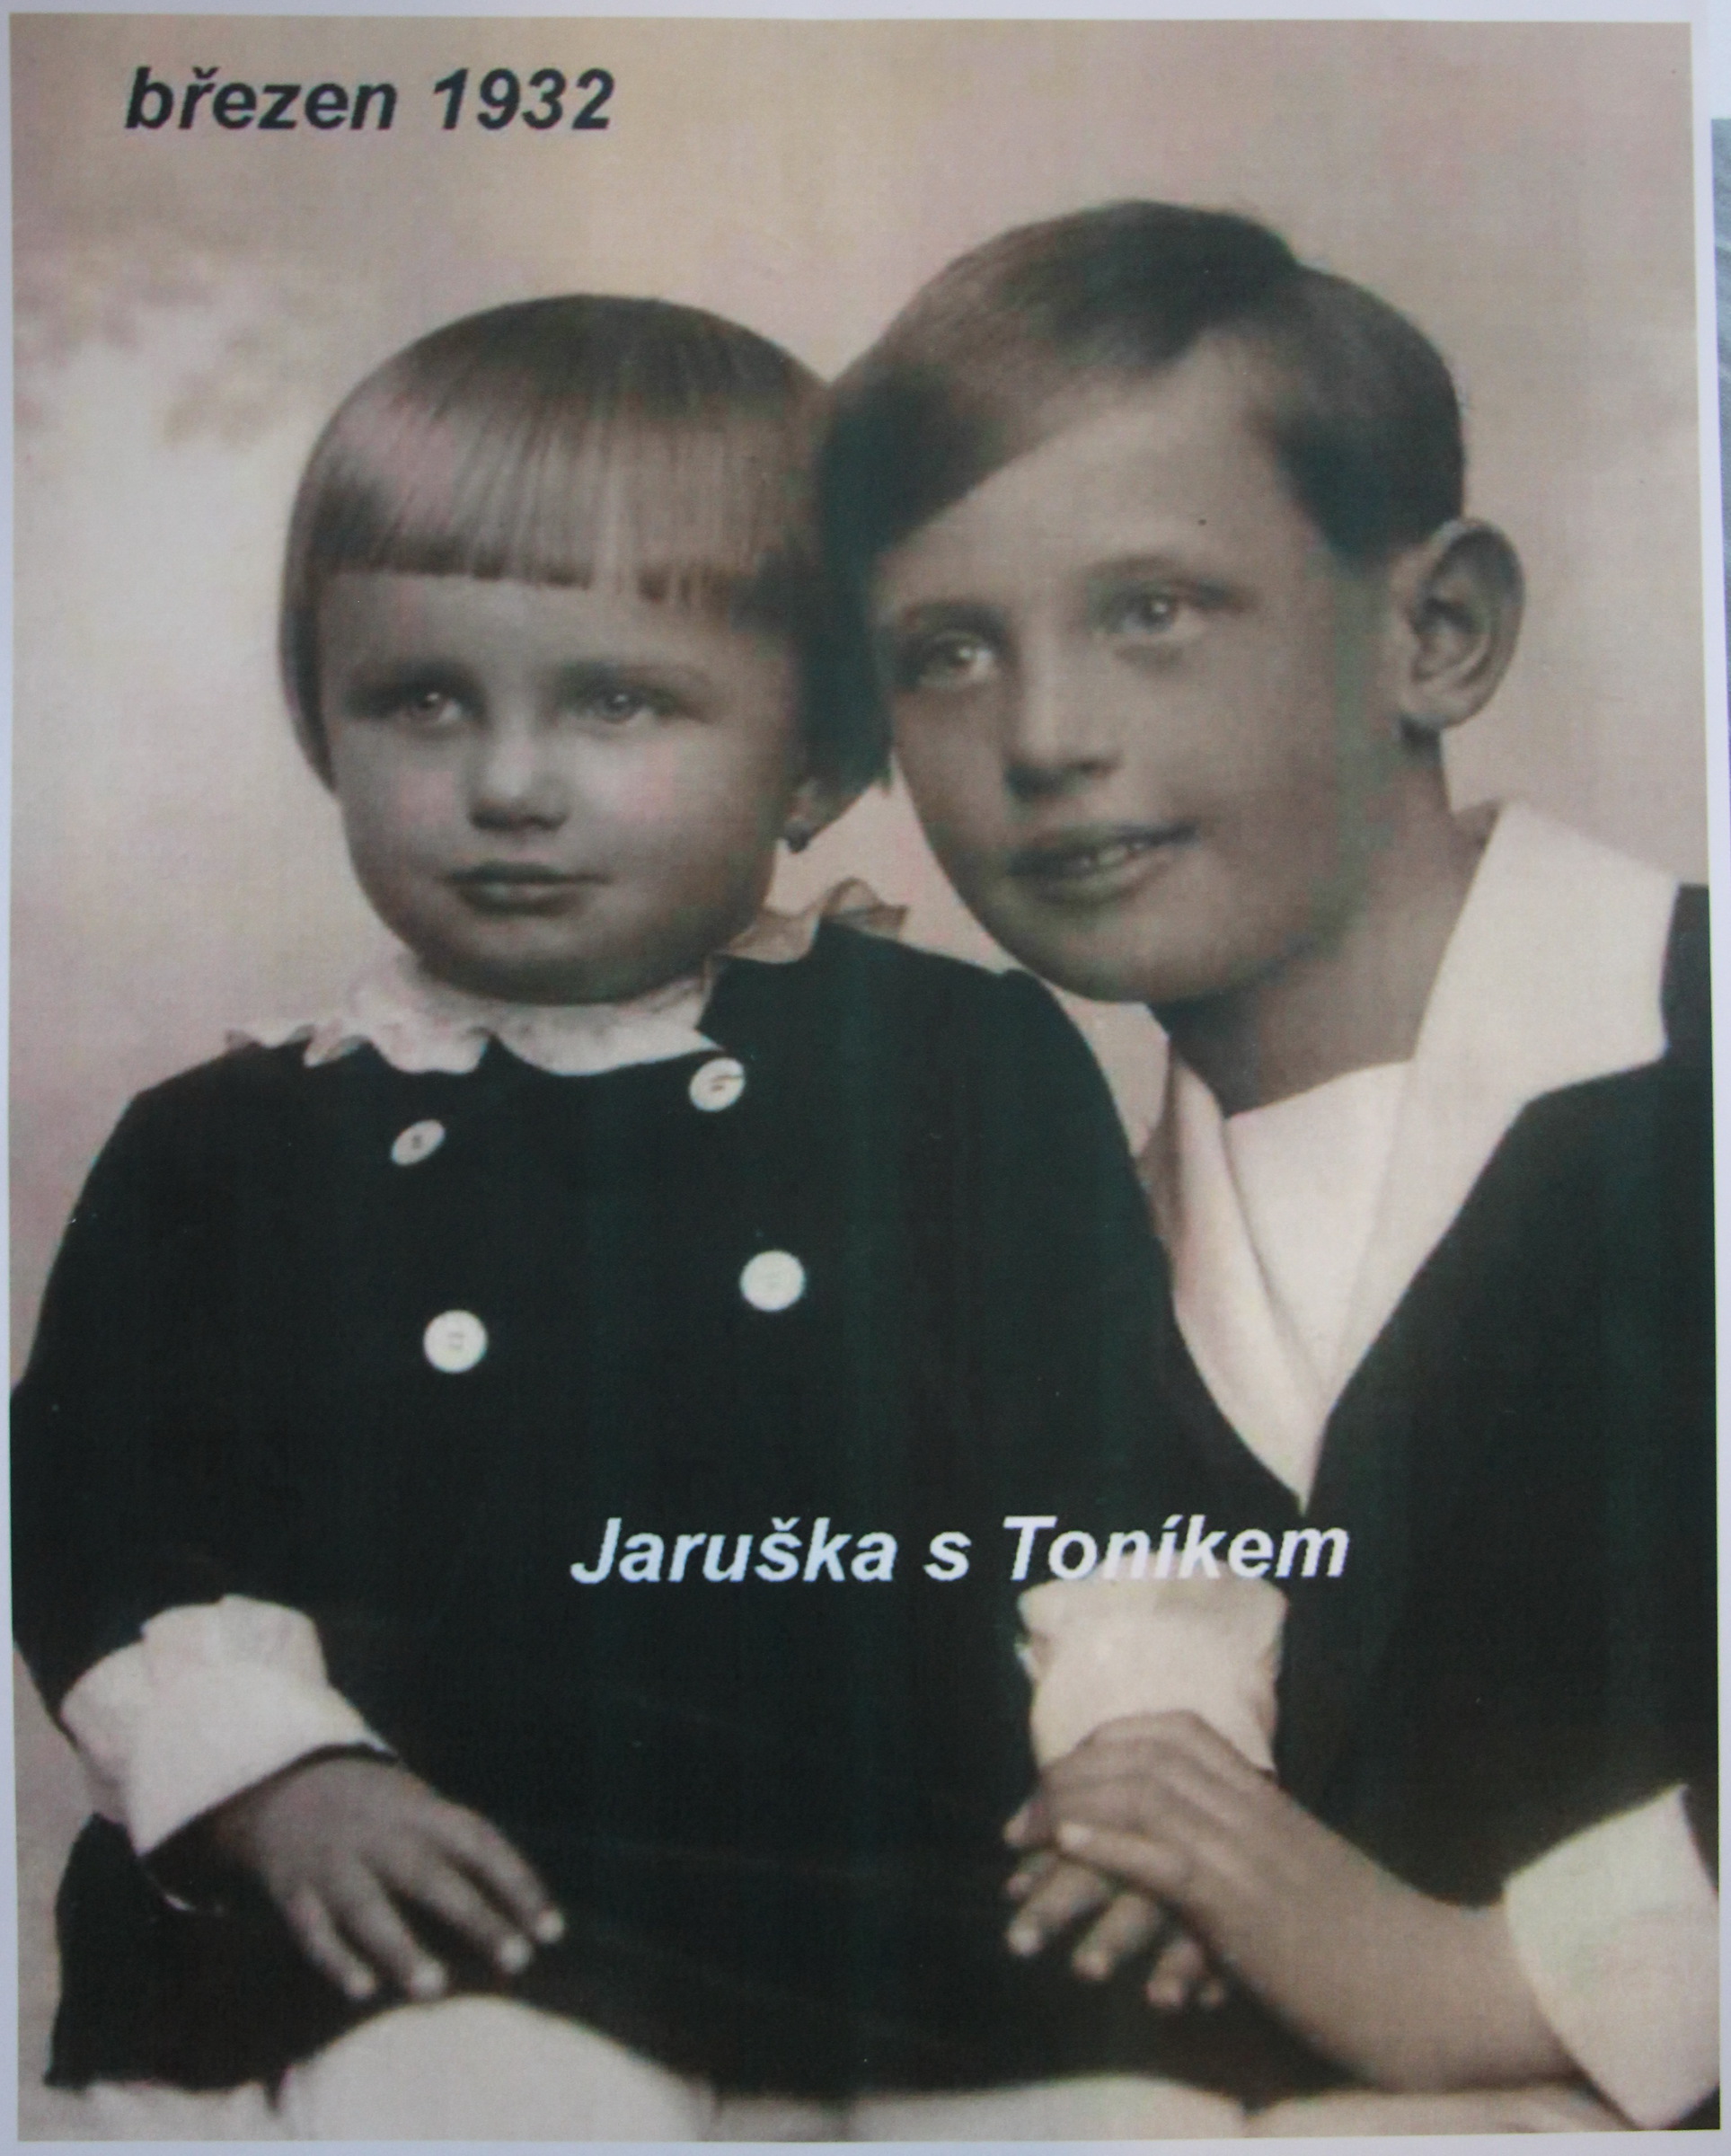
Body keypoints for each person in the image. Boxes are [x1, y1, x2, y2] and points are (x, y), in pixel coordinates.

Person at [11, 292, 1214, 2135]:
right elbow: (100, 1524)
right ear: (323, 723)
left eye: (617, 701)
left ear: (814, 761)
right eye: (421, 700)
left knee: (1130, 2124)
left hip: (917, 1899)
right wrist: (278, 1786)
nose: (507, 785)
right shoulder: (230, 1151)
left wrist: (1142, 1760)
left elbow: (1114, 1462)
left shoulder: (954, 1069)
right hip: (455, 1918)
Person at [820, 201, 1718, 2129]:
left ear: (1436, 633)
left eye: (1151, 611)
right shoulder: (1036, 1262)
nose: (1045, 738)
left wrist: (1515, 1975)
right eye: (948, 654)